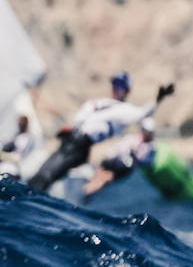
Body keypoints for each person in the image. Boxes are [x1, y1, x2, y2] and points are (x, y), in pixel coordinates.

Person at [26, 71, 174, 192]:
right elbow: (80, 119)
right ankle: (33, 191)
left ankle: (38, 191)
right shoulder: (97, 102)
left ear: (127, 90)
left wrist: (157, 100)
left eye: (120, 85)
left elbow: (142, 114)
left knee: (55, 169)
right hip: (75, 141)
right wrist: (71, 130)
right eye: (114, 84)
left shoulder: (124, 110)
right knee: (49, 170)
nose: (116, 88)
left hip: (81, 145)